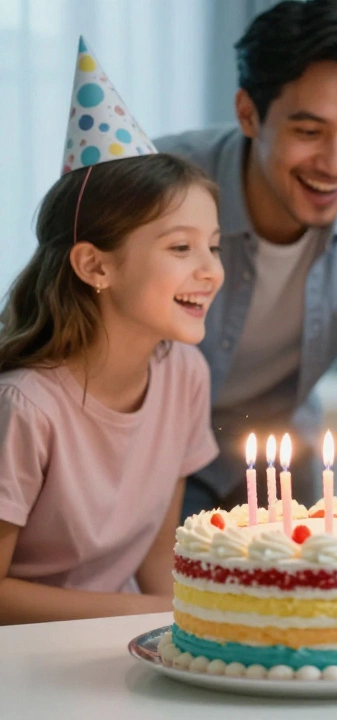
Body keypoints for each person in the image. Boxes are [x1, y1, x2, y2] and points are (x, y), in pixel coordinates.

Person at [154, 0, 337, 518]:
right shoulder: (159, 189)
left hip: (280, 463)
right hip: (148, 459)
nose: (334, 163)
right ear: (248, 113)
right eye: (308, 132)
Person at [0, 41, 223, 622]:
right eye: (181, 247)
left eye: (214, 246)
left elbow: (154, 554)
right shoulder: (25, 406)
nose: (211, 270)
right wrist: (146, 615)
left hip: (113, 641)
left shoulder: (185, 375)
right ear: (95, 266)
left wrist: (205, 623)